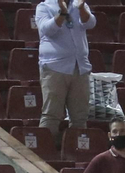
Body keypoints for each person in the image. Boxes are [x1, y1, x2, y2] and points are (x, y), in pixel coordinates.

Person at [35, 0, 95, 134]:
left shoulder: (80, 4)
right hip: (54, 66)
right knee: (51, 114)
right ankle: (44, 151)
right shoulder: (44, 6)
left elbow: (90, 23)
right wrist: (62, 13)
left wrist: (81, 9)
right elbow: (47, 29)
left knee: (80, 117)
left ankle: (78, 152)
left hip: (80, 66)